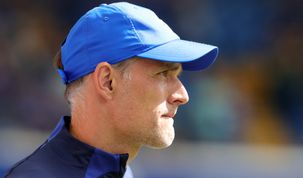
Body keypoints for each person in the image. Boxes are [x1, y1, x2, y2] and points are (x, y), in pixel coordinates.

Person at [4, 2, 218, 178]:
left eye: (177, 76)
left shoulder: (121, 171)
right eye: (163, 74)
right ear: (107, 81)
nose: (182, 96)